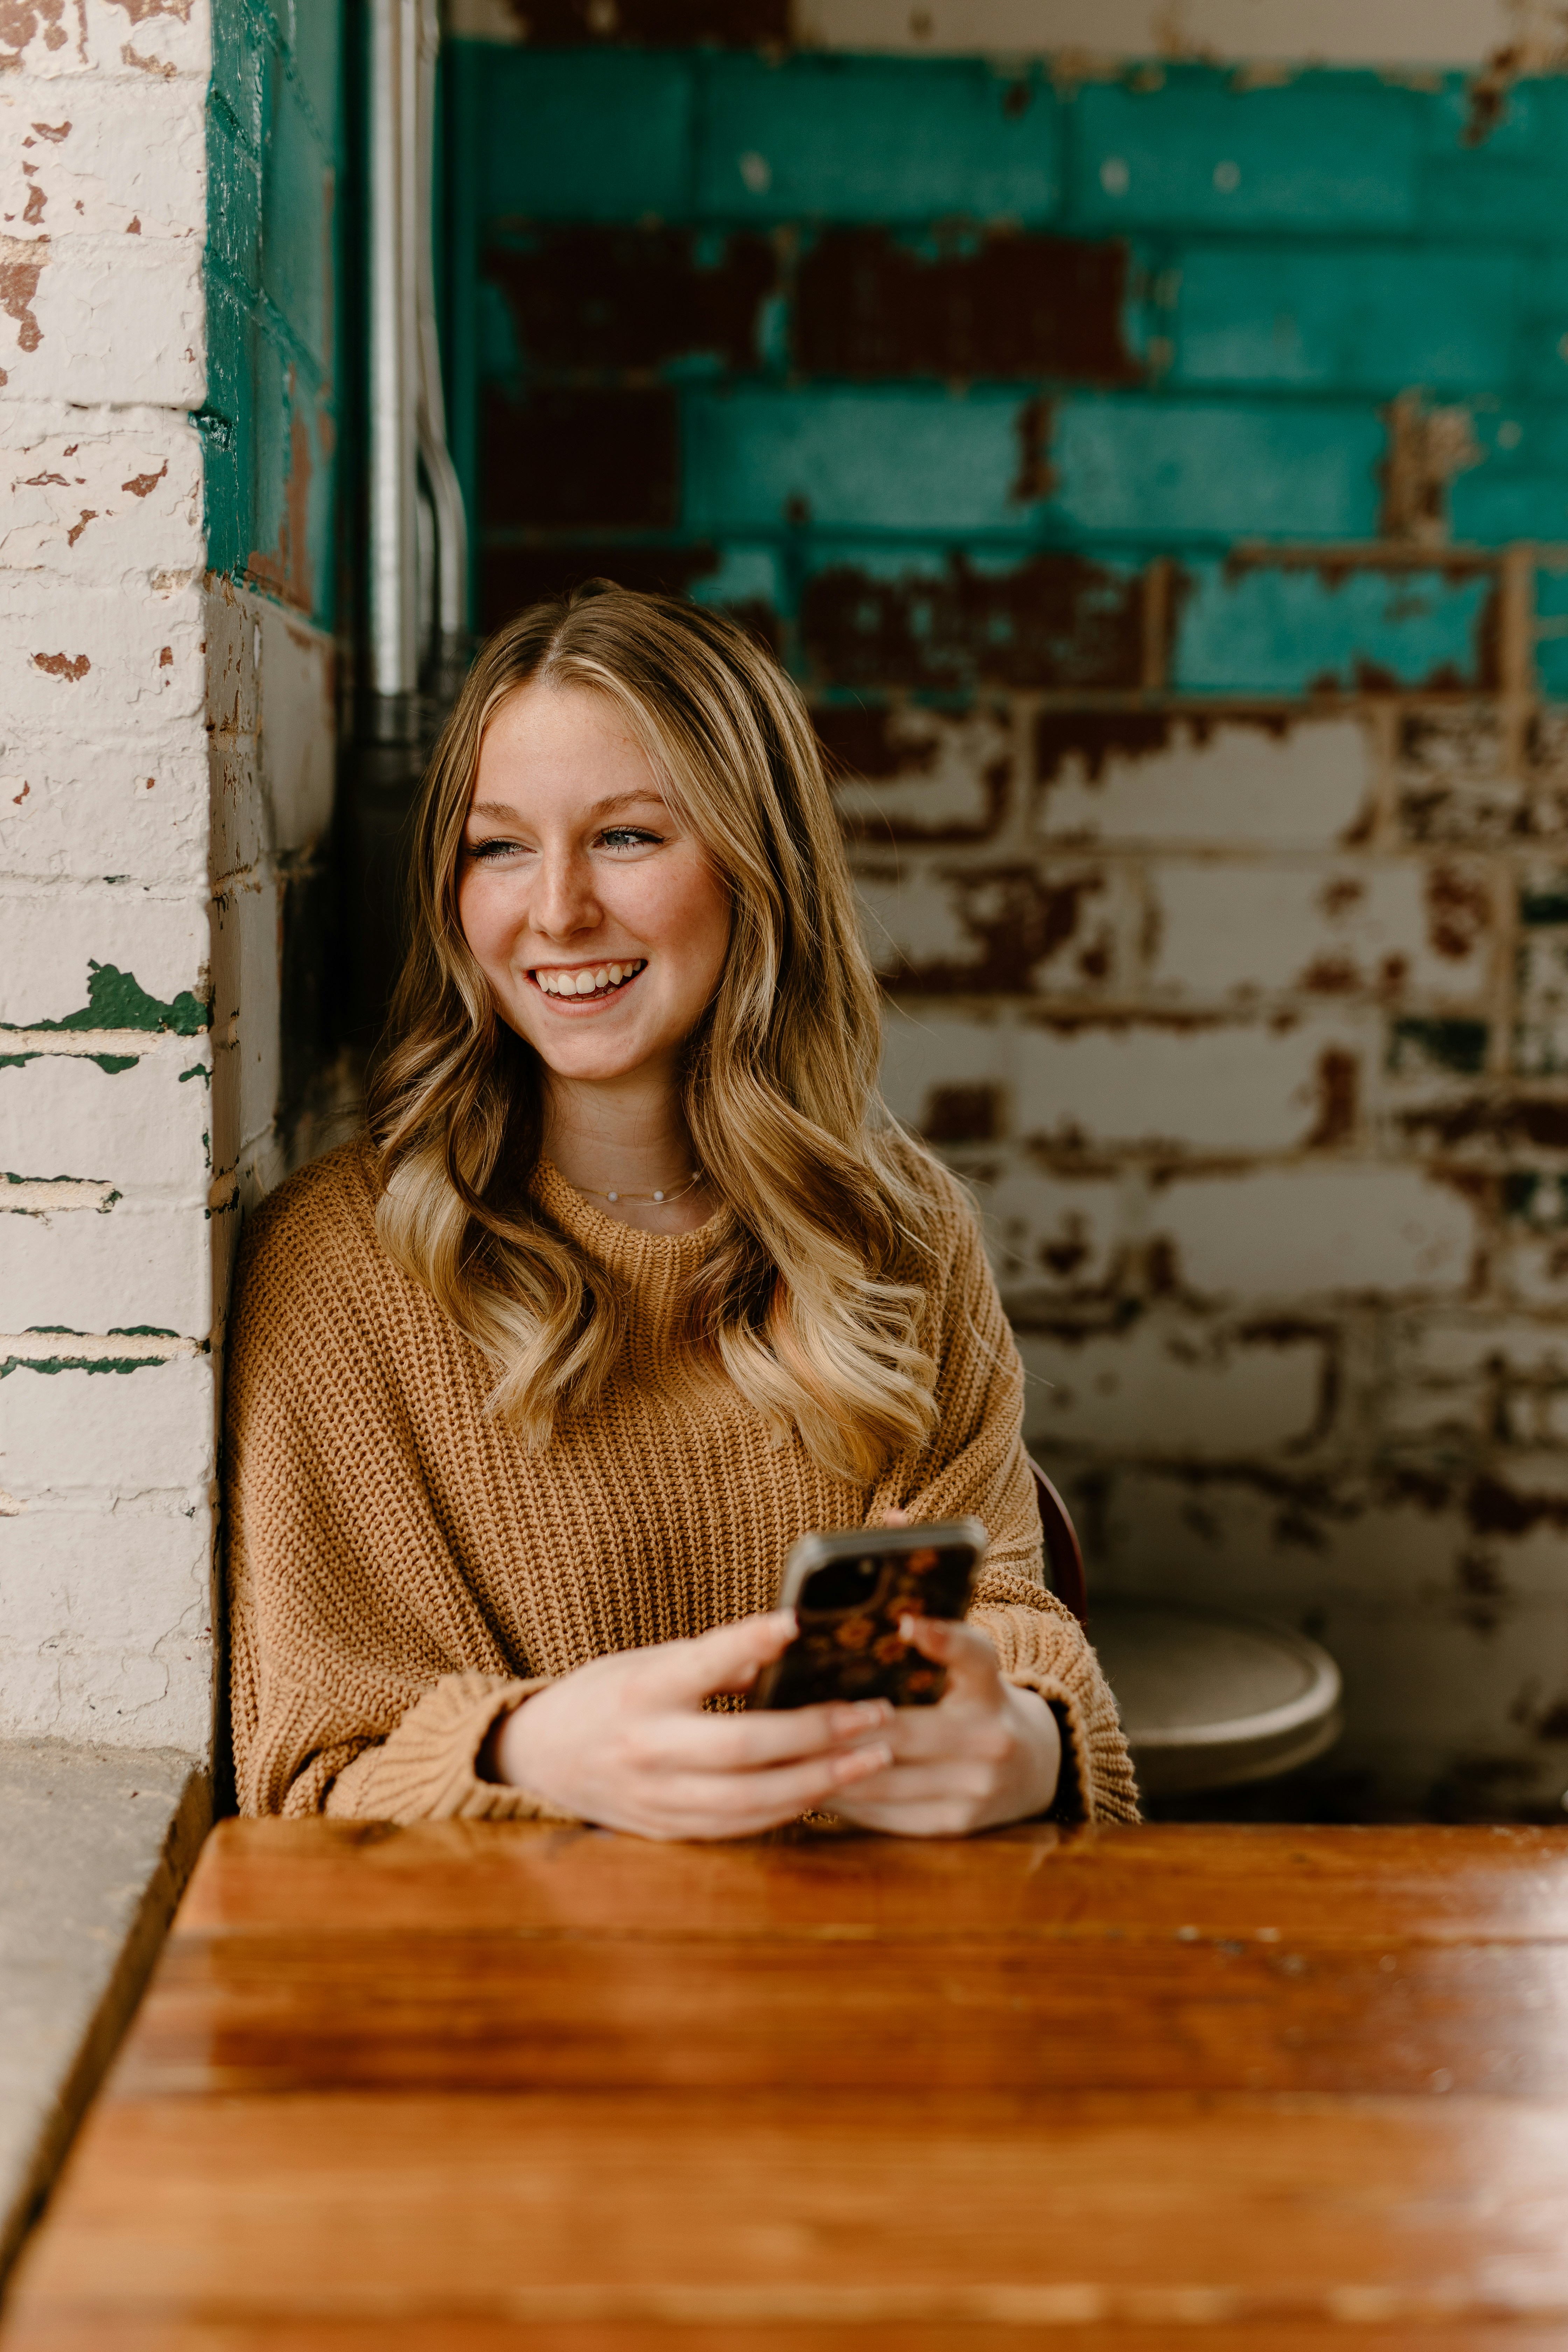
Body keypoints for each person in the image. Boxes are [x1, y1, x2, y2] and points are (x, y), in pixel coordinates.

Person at [225, 582, 1137, 1836]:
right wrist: (532, 1747)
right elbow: (312, 1780)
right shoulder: (337, 1267)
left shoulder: (902, 1231)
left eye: (628, 837)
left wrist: (1030, 1744)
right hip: (514, 1999)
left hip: (867, 1971)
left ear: (758, 869)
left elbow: (1017, 1629)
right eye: (499, 846)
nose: (555, 911)